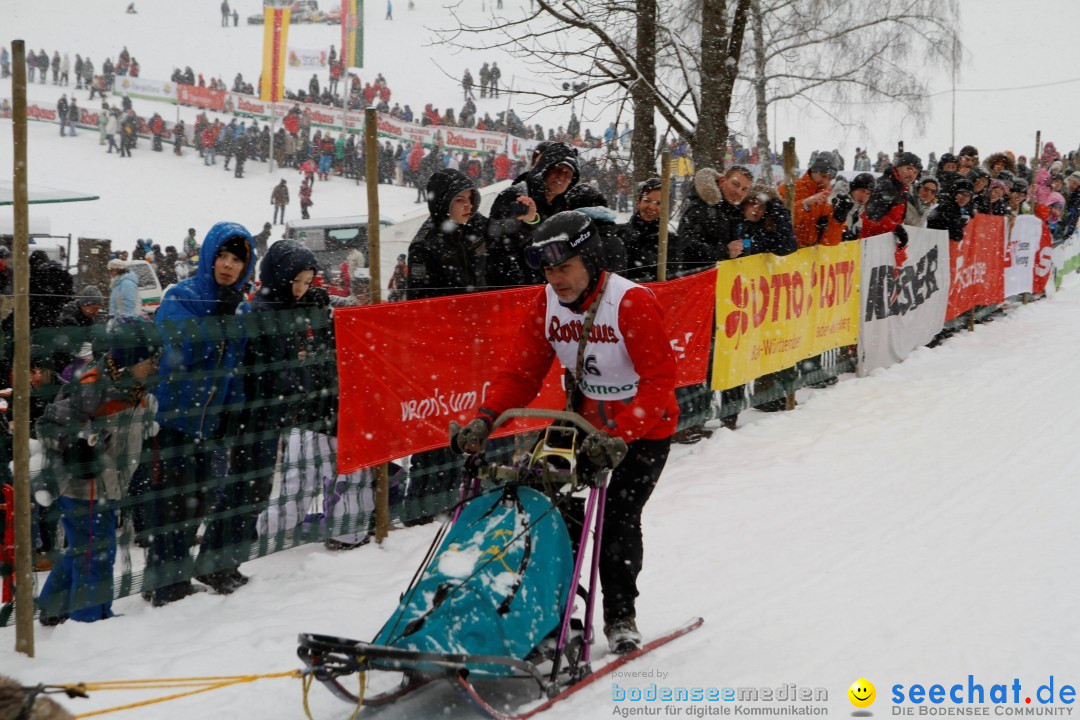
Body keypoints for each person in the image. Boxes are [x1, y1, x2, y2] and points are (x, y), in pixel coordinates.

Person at [454, 210, 677, 654]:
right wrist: (486, 416)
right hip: (580, 420)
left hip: (644, 426)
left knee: (617, 519)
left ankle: (620, 616)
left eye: (564, 268)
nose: (556, 279)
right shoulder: (545, 303)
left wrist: (622, 434)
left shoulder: (629, 302)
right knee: (544, 511)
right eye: (549, 270)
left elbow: (659, 381)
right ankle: (551, 613)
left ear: (590, 262)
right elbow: (522, 371)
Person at [148, 222, 255, 606]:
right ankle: (165, 583)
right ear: (208, 257)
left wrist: (234, 409)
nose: (227, 266)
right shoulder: (183, 295)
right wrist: (217, 323)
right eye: (222, 257)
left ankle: (172, 577)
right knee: (173, 503)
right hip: (174, 417)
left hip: (208, 420)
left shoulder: (238, 305)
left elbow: (235, 365)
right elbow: (175, 352)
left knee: (198, 498)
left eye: (236, 260)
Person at [34, 318, 161, 625]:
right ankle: (90, 621)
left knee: (83, 548)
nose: (156, 364)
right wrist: (76, 443)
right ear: (130, 360)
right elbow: (48, 425)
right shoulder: (92, 388)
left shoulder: (136, 388)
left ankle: (53, 607)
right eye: (149, 359)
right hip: (83, 488)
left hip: (109, 484)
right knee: (97, 554)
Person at [487, 142, 580, 288]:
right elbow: (497, 244)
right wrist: (521, 287)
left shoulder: (563, 207)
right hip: (514, 291)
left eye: (567, 173)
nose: (561, 177)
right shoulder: (516, 196)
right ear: (545, 168)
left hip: (547, 292)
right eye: (557, 169)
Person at [617, 178, 672, 283]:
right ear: (638, 202)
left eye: (658, 203)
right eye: (647, 200)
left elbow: (672, 283)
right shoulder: (619, 233)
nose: (651, 207)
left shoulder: (670, 242)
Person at [927, 177, 974, 242]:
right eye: (962, 194)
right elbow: (957, 236)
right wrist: (960, 225)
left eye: (968, 195)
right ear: (954, 193)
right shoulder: (948, 207)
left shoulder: (953, 206)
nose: (965, 198)